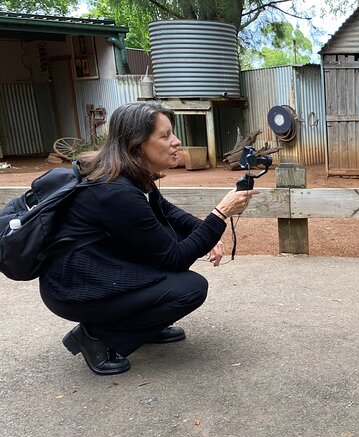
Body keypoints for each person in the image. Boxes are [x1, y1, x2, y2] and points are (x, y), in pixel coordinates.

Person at [39, 101, 258, 376]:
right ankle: (96, 336)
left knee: (179, 234)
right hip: (75, 288)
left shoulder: (127, 172)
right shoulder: (114, 190)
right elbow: (175, 259)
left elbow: (164, 208)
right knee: (189, 288)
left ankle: (145, 325)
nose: (176, 142)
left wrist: (203, 230)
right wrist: (220, 214)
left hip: (98, 268)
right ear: (136, 143)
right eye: (165, 136)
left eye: (172, 133)